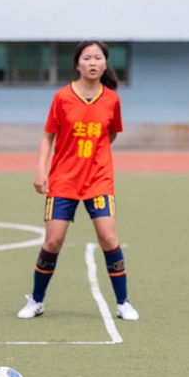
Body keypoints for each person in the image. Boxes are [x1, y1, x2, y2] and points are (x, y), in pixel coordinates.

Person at [18, 41, 136, 321]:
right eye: (87, 57)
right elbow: (49, 136)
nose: (93, 62)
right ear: (78, 64)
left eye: (98, 58)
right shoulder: (62, 97)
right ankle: (36, 300)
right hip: (63, 182)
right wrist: (41, 170)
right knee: (53, 242)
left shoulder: (112, 99)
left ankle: (123, 302)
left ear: (105, 64)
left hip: (99, 180)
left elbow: (112, 134)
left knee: (109, 238)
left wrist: (95, 155)